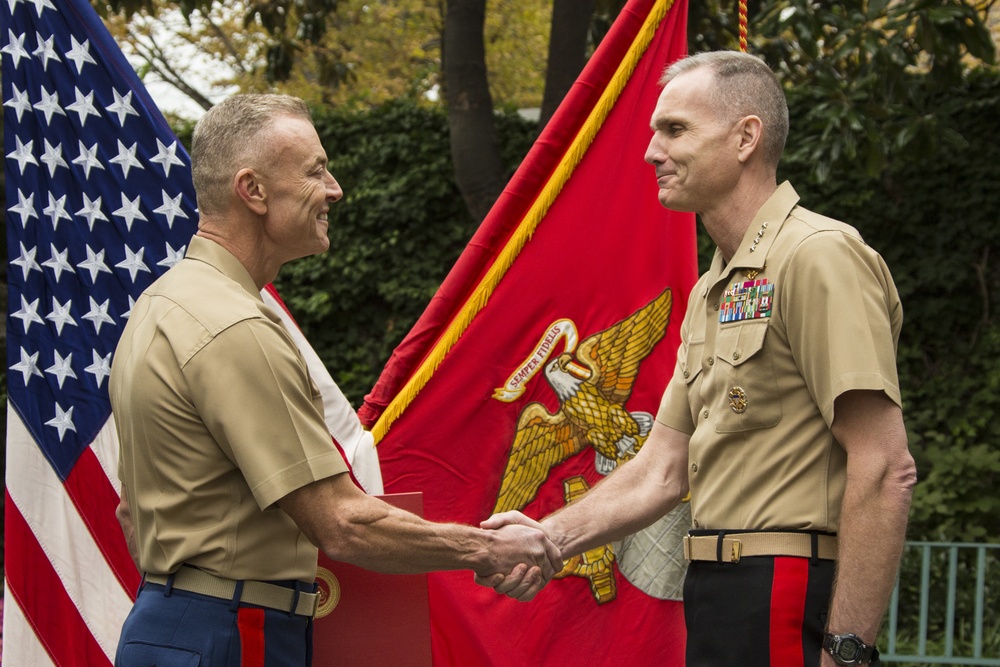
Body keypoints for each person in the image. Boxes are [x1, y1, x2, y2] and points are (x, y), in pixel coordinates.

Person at [478, 51, 917, 667]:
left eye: (675, 130)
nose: (651, 152)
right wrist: (546, 537)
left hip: (786, 592)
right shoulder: (714, 289)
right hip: (716, 595)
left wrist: (846, 652)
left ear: (745, 138)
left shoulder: (818, 256)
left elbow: (884, 466)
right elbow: (662, 467)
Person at [109, 93, 562, 667]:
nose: (335, 189)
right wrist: (487, 547)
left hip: (178, 624)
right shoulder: (235, 324)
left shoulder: (162, 304)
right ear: (252, 191)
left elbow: (133, 511)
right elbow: (341, 523)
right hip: (233, 635)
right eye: (315, 171)